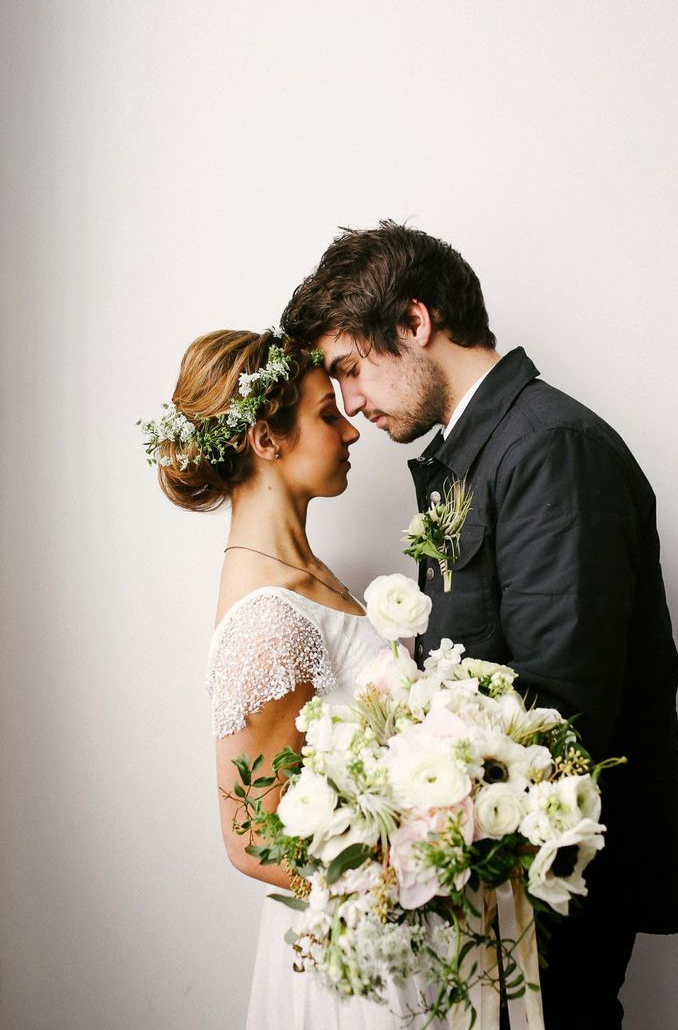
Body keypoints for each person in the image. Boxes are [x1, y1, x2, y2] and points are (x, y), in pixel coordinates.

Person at [282, 221, 678, 1030]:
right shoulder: (477, 450)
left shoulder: (549, 449)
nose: (351, 403)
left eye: (350, 368)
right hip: (495, 890)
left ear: (415, 323)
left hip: (551, 893)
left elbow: (559, 708)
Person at [141, 327, 433, 1028]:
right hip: (354, 957)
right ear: (267, 441)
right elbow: (251, 839)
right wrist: (403, 886)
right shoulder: (267, 620)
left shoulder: (312, 577)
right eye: (327, 416)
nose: (351, 433)